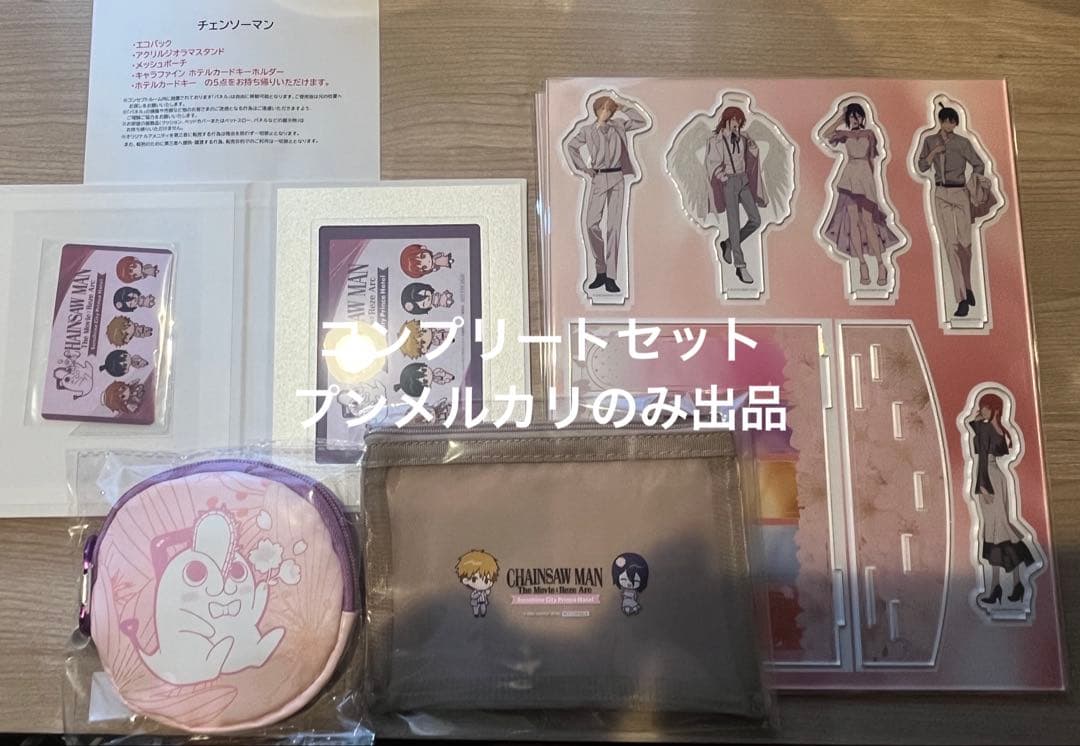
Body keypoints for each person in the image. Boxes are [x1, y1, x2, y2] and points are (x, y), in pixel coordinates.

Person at [564, 94, 648, 294]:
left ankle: (610, 276)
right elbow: (571, 146)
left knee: (614, 227)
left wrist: (623, 107)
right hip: (599, 177)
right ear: (596, 110)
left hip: (617, 176)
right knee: (591, 223)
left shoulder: (619, 125)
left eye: (609, 109)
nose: (606, 113)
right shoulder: (587, 130)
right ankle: (600, 269)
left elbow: (641, 122)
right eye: (603, 109)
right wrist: (584, 167)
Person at [916, 106, 987, 317]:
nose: (949, 125)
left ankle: (968, 286)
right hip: (941, 193)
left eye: (952, 122)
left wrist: (973, 185)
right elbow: (921, 166)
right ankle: (962, 298)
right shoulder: (929, 140)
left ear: (956, 123)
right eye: (946, 121)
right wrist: (933, 153)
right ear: (940, 121)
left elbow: (979, 164)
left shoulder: (962, 143)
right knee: (950, 244)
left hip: (961, 192)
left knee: (965, 244)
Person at [821, 102, 901, 287]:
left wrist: (872, 186)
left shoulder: (869, 134)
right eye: (852, 116)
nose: (855, 119)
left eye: (857, 115)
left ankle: (881, 264)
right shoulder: (845, 135)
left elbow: (873, 161)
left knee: (868, 222)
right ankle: (862, 265)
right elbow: (825, 135)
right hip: (849, 178)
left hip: (865, 179)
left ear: (863, 117)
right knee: (854, 223)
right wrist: (839, 118)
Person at [968, 393, 1036, 605]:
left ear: (995, 410)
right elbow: (978, 438)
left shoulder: (991, 429)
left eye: (986, 407)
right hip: (989, 476)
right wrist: (982, 421)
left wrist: (983, 485)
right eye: (982, 407)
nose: (982, 410)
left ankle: (1004, 585)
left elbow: (993, 453)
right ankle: (1007, 585)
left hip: (990, 478)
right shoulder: (986, 428)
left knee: (999, 530)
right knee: (994, 531)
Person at [705, 106, 768, 284]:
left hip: (743, 180)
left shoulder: (744, 137)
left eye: (739, 121)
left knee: (756, 219)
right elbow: (712, 162)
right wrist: (722, 177)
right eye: (734, 120)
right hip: (729, 182)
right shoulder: (716, 140)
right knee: (734, 224)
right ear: (727, 120)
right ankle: (740, 266)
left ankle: (729, 244)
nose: (737, 124)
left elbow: (751, 158)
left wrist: (753, 149)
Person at [455, 549, 499, 618]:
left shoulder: (484, 591)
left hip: (483, 601)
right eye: (474, 579)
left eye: (486, 580)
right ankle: (476, 613)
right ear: (465, 580)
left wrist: (487, 591)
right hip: (476, 602)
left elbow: (487, 593)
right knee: (475, 608)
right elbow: (473, 596)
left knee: (483, 608)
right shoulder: (475, 592)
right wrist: (478, 594)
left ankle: (483, 613)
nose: (482, 584)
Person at [611, 552, 649, 616]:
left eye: (636, 581)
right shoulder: (625, 592)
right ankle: (628, 611)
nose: (629, 584)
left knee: (633, 606)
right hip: (627, 601)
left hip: (630, 600)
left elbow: (634, 596)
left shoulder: (633, 592)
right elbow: (625, 595)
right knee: (628, 606)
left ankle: (631, 611)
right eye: (624, 579)